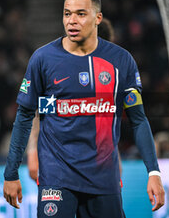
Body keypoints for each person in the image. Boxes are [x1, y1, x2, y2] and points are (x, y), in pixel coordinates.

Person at [3, 0, 165, 218]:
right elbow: (25, 116)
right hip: (56, 178)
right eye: (67, 14)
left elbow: (139, 120)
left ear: (98, 18)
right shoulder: (43, 59)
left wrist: (154, 172)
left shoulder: (121, 61)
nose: (72, 21)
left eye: (80, 14)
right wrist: (11, 173)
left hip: (103, 178)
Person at [26, 17, 122, 182]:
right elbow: (40, 111)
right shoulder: (59, 68)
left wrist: (115, 159)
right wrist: (33, 151)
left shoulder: (109, 77)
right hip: (62, 159)